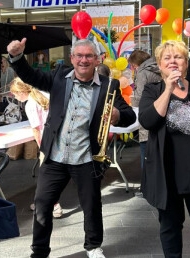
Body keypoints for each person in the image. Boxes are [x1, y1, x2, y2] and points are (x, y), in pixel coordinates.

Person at [7, 38, 136, 258]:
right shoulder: (59, 77)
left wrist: (118, 115)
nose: (83, 60)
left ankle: (93, 246)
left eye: (88, 56)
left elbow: (129, 115)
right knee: (42, 205)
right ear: (72, 58)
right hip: (55, 156)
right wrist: (17, 57)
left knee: (92, 205)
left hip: (86, 157)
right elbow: (31, 77)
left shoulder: (109, 85)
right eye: (79, 56)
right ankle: (39, 251)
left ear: (97, 60)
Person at [139, 40, 190, 258]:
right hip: (167, 176)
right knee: (170, 231)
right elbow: (148, 120)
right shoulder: (153, 90)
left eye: (178, 57)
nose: (173, 61)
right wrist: (169, 88)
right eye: (167, 58)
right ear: (159, 65)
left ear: (186, 63)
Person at [9, 77, 63, 218]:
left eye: (15, 93)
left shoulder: (30, 105)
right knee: (52, 174)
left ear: (21, 91)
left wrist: (41, 148)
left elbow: (36, 130)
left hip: (47, 141)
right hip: (58, 137)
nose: (14, 96)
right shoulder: (43, 94)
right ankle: (42, 202)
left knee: (47, 177)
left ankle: (54, 205)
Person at [128, 50, 161, 168]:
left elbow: (140, 97)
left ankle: (147, 185)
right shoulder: (159, 67)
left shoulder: (142, 72)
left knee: (146, 158)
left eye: (132, 65)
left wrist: (132, 102)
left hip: (147, 116)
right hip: (160, 115)